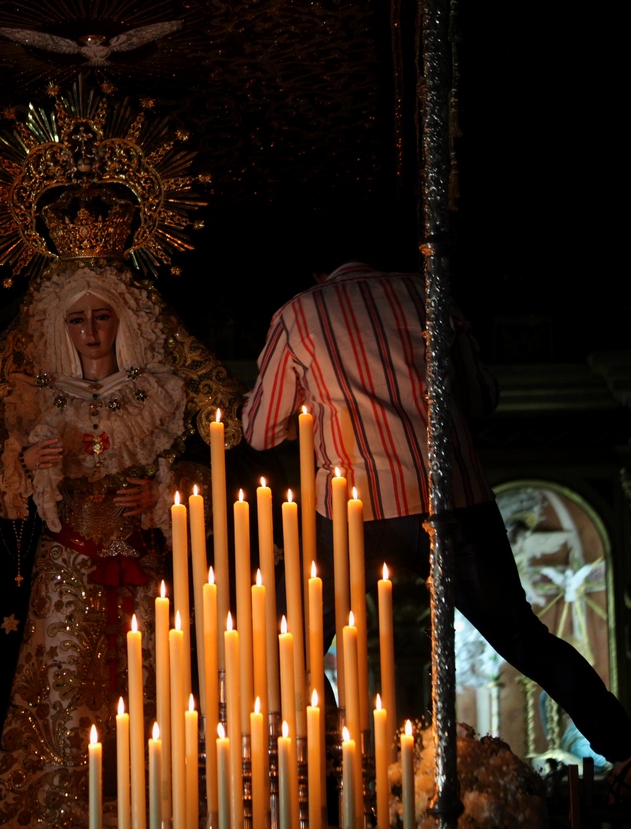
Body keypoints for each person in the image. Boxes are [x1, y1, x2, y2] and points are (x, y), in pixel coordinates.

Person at [0, 255, 269, 827]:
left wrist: (166, 492)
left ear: (123, 322)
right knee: (62, 693)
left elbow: (207, 473)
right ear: (61, 329)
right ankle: (58, 809)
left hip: (143, 575)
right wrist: (27, 464)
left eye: (102, 317)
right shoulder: (34, 397)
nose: (90, 332)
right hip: (64, 575)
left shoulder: (163, 394)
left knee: (149, 684)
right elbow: (0, 495)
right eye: (77, 321)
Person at [241, 260, 631, 766]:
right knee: (523, 638)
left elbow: (259, 431)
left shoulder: (298, 314)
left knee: (292, 646)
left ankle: (329, 765)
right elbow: (481, 397)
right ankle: (623, 752)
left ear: (319, 271)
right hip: (453, 500)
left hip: (356, 509)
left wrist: (308, 413)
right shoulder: (432, 293)